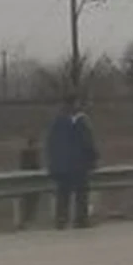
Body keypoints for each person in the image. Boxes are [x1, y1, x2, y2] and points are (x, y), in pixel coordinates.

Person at [46, 96, 99, 229]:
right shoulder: (82, 122)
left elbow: (51, 144)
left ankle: (61, 220)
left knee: (63, 193)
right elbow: (88, 143)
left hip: (61, 166)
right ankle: (80, 220)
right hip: (79, 165)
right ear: (76, 104)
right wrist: (93, 159)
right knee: (81, 193)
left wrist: (53, 164)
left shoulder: (57, 122)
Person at [17, 134, 41, 229]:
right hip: (30, 180)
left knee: (29, 202)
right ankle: (26, 221)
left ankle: (26, 221)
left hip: (28, 180)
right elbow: (32, 167)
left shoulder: (28, 153)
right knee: (29, 202)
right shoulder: (30, 154)